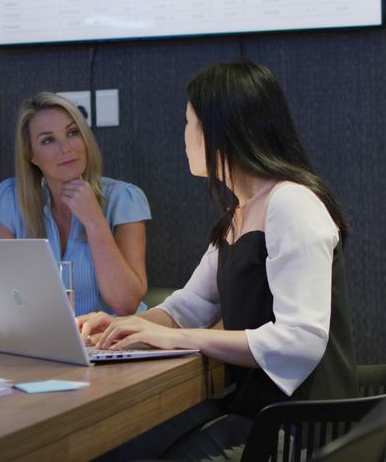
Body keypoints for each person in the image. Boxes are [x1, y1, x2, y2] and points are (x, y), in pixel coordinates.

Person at [80, 59, 357, 460]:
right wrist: (123, 325)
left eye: (189, 123)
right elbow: (189, 307)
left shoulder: (291, 203)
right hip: (255, 408)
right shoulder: (240, 212)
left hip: (299, 426)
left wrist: (178, 338)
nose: (184, 136)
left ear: (221, 129)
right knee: (116, 448)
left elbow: (301, 340)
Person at [0, 92, 150, 316]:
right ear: (31, 155)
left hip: (115, 342)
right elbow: (1, 300)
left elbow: (125, 303)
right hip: (45, 341)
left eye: (73, 133)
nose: (66, 148)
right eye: (48, 140)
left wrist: (94, 220)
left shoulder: (124, 199)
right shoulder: (10, 200)